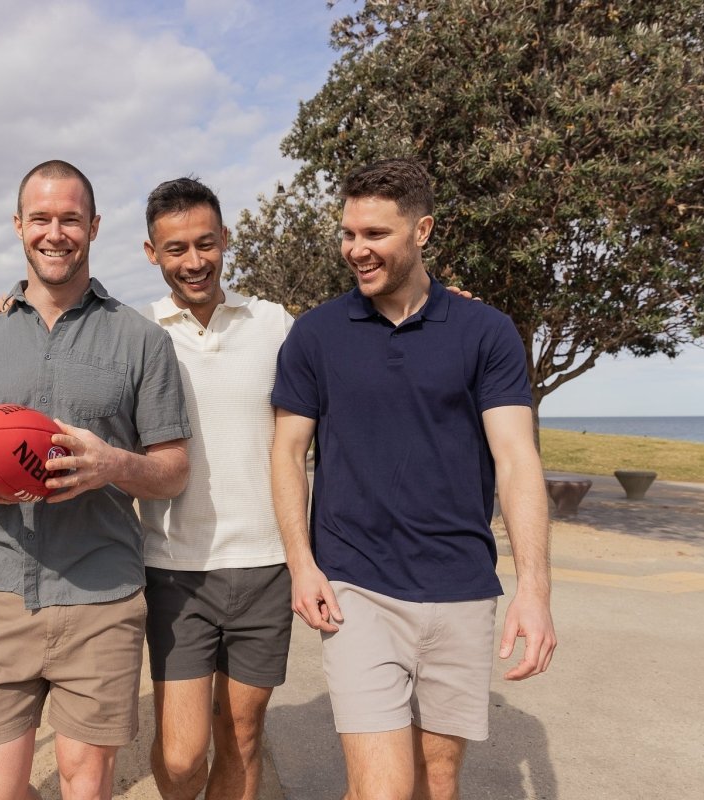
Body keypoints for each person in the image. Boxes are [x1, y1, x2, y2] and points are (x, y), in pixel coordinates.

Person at [270, 158, 556, 800]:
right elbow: (288, 453)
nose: (356, 249)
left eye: (375, 234)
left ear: (422, 231)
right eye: (348, 233)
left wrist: (533, 589)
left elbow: (515, 458)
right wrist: (301, 563)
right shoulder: (315, 335)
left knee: (440, 780)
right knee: (382, 791)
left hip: (460, 586)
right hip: (357, 586)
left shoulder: (486, 330)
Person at [0, 159, 191, 800]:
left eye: (70, 218)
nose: (55, 232)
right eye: (41, 218)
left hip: (101, 593)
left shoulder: (141, 340)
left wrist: (113, 466)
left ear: (93, 226)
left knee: (84, 786)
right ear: (19, 226)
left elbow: (173, 471)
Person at [135, 177, 294, 800]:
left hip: (266, 564)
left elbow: (354, 349)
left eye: (206, 243)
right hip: (174, 569)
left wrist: (433, 304)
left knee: (244, 736)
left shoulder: (276, 323)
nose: (194, 261)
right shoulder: (135, 332)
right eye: (176, 249)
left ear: (226, 239)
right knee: (180, 757)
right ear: (152, 253)